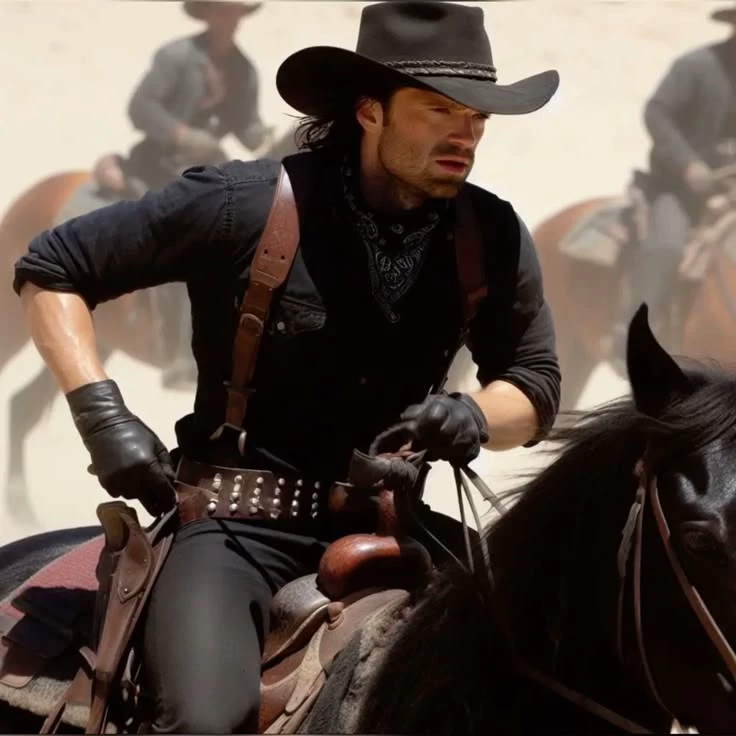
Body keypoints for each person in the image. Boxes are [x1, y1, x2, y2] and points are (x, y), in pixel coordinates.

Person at [12, 2, 561, 732]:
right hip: (234, 527)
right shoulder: (242, 204)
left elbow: (534, 383)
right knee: (206, 723)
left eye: (478, 118)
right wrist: (102, 418)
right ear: (370, 111)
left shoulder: (490, 232)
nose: (465, 135)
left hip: (398, 528)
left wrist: (473, 415)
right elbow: (53, 268)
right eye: (439, 110)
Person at [610, 2, 736, 357]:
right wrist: (687, 164)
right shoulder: (696, 66)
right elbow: (657, 113)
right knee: (667, 246)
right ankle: (633, 333)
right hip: (678, 186)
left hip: (732, 188)